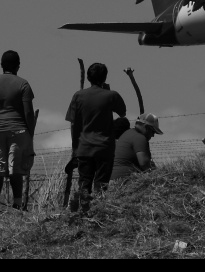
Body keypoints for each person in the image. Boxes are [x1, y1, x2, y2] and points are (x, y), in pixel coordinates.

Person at [65, 62, 126, 213]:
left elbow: (73, 122)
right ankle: (99, 212)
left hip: (84, 147)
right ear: (105, 77)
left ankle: (81, 213)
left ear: (88, 77)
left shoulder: (78, 96)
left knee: (84, 184)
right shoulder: (111, 95)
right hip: (104, 147)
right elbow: (122, 113)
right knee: (101, 184)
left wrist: (75, 148)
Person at [0, 50, 36, 209]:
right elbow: (29, 112)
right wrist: (30, 132)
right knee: (15, 168)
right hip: (18, 130)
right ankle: (17, 203)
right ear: (18, 65)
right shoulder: (23, 84)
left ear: (1, 65)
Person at [110, 113, 163, 181]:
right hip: (122, 180)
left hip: (113, 179)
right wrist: (158, 175)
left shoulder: (128, 133)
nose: (153, 135)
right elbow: (144, 164)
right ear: (147, 127)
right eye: (153, 132)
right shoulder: (139, 138)